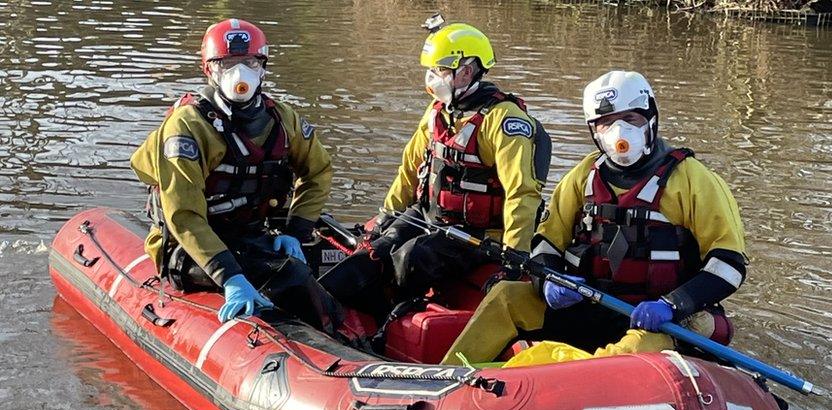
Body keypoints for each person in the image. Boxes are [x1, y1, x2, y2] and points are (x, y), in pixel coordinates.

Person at [441, 70, 746, 365]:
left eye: (630, 119)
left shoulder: (694, 180)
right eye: (606, 123)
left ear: (650, 119)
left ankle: (577, 392)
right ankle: (443, 380)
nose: (619, 132)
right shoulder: (583, 176)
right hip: (592, 303)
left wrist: (673, 304)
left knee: (635, 347)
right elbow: (546, 244)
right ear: (593, 130)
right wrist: (547, 281)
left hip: (658, 320)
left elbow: (729, 264)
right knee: (507, 295)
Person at [319, 17, 550, 320]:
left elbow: (522, 191)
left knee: (411, 258)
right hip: (431, 216)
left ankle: (392, 317)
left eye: (439, 70)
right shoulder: (437, 113)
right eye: (430, 70)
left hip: (479, 233)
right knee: (376, 249)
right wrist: (387, 214)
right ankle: (324, 307)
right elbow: (411, 166)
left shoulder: (503, 121)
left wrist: (514, 253)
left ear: (466, 70)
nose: (431, 78)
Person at [131, 18, 338, 329]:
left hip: (251, 235)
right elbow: (184, 215)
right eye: (226, 63)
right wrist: (230, 276)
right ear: (209, 70)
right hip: (189, 250)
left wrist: (296, 231)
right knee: (290, 277)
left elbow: (318, 171)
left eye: (249, 62)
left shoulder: (282, 120)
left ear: (263, 67)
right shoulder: (188, 127)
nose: (239, 73)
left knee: (331, 265)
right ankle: (324, 346)